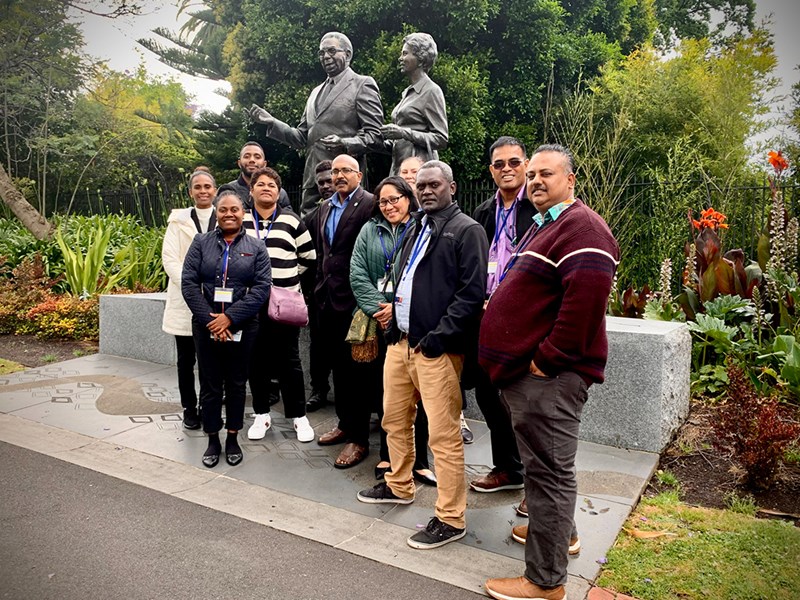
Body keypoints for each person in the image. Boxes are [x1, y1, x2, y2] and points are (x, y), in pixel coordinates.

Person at [479, 145, 619, 600]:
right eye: (532, 174)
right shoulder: (549, 225)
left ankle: (544, 581)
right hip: (533, 377)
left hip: (549, 377)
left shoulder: (583, 227)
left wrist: (547, 359)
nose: (536, 181)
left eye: (546, 174)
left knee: (551, 474)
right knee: (545, 469)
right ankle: (559, 534)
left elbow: (586, 302)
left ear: (571, 180)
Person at [357, 161, 487, 550]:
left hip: (436, 349)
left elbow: (471, 294)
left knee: (443, 437)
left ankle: (451, 517)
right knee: (394, 420)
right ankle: (400, 484)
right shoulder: (416, 225)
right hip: (400, 342)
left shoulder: (467, 231)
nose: (426, 190)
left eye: (434, 184)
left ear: (452, 187)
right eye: (421, 185)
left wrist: (437, 338)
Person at [349, 175, 436, 486]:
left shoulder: (422, 228)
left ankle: (421, 459)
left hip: (413, 322)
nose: (388, 206)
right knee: (385, 394)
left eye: (394, 199)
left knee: (421, 394)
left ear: (408, 198)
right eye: (383, 201)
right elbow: (357, 272)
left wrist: (398, 309)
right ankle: (387, 453)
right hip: (379, 322)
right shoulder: (369, 231)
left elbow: (426, 275)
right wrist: (380, 308)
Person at [181, 192, 272, 468]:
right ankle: (212, 439)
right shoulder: (201, 242)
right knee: (209, 384)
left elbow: (261, 289)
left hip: (243, 326)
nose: (229, 214)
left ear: (243, 212)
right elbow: (188, 282)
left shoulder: (256, 247)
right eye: (223, 210)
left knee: (235, 384)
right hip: (206, 324)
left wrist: (229, 319)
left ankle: (232, 437)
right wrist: (212, 319)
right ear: (216, 213)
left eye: (234, 209)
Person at [467, 136, 535, 494]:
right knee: (488, 395)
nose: (506, 169)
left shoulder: (538, 208)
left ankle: (538, 485)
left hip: (522, 318)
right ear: (491, 171)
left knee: (524, 400)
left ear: (526, 165)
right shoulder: (483, 211)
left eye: (513, 162)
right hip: (485, 316)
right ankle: (507, 468)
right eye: (499, 164)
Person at [250, 32, 384, 214]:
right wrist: (272, 122)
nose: (326, 57)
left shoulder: (362, 85)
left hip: (344, 181)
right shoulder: (315, 92)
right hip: (313, 182)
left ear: (348, 54)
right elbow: (301, 137)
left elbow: (376, 136)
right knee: (309, 237)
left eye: (331, 51)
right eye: (321, 53)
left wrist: (345, 143)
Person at [309, 154, 376, 469]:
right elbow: (325, 252)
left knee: (357, 374)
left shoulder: (369, 204)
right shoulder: (324, 208)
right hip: (327, 301)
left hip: (355, 303)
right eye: (334, 171)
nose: (338, 175)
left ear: (358, 175)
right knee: (337, 367)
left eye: (345, 170)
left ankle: (359, 438)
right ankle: (344, 423)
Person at [242, 167, 317, 443]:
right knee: (255, 361)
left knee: (290, 361)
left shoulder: (291, 220)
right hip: (250, 303)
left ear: (278, 191)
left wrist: (286, 277)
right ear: (251, 191)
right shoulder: (241, 219)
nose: (266, 188)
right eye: (260, 184)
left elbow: (309, 258)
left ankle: (298, 416)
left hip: (284, 302)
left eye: (271, 185)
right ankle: (261, 414)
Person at [161, 168, 217, 430]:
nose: (203, 191)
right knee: (186, 360)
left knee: (211, 359)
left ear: (214, 190)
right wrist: (192, 286)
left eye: (208, 186)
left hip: (217, 302)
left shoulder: (225, 216)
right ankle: (188, 407)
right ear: (190, 192)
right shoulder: (178, 221)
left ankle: (209, 405)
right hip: (185, 300)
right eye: (198, 187)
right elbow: (169, 259)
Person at [380, 32, 448, 176]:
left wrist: (404, 133)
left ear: (421, 58)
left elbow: (441, 139)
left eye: (405, 54)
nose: (401, 58)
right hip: (399, 167)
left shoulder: (431, 91)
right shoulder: (407, 92)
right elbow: (401, 140)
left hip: (418, 171)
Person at [304, 160, 335, 412]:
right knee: (318, 343)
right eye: (322, 182)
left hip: (347, 293)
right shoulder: (312, 217)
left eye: (330, 180)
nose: (326, 186)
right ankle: (319, 388)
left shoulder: (361, 210)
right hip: (318, 293)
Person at [217, 142, 291, 210]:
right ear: (239, 163)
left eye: (257, 157)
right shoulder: (228, 191)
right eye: (247, 156)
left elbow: (288, 220)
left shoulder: (280, 193)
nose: (252, 160)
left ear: (264, 164)